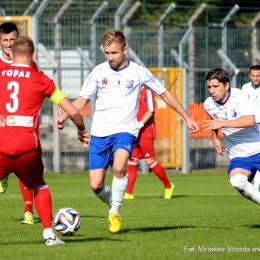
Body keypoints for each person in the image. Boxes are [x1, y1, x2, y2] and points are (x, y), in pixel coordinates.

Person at [55, 28, 199, 234]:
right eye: (107, 53)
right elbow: (81, 100)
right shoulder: (98, 72)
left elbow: (165, 95)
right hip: (99, 134)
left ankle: (115, 212)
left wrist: (187, 117)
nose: (111, 57)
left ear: (125, 50)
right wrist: (65, 114)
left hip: (125, 131)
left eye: (114, 52)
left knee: (120, 166)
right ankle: (114, 201)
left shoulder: (138, 72)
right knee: (96, 186)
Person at [0, 36, 89, 245]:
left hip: (1, 146)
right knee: (39, 185)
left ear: (11, 54)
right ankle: (49, 235)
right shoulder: (41, 79)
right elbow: (73, 111)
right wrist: (82, 130)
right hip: (26, 148)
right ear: (33, 56)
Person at [0, 21, 39, 225]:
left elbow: (39, 84)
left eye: (12, 40)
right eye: (5, 40)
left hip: (24, 122)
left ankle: (28, 211)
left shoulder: (28, 63)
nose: (8, 44)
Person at [202, 68, 260, 206]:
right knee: (237, 182)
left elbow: (249, 121)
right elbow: (214, 120)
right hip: (239, 156)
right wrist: (214, 137)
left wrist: (222, 123)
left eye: (216, 86)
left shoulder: (238, 95)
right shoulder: (208, 104)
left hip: (258, 148)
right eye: (209, 87)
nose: (212, 91)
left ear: (226, 85)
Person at [124, 86, 175, 200]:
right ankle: (129, 193)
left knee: (149, 160)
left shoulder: (147, 91)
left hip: (145, 131)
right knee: (132, 160)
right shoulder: (131, 90)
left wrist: (140, 124)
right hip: (133, 131)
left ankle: (168, 186)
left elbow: (150, 111)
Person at [241, 65, 260, 190]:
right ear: (249, 76)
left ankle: (255, 186)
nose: (255, 78)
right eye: (253, 76)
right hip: (249, 125)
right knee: (250, 154)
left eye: (258, 76)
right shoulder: (245, 88)